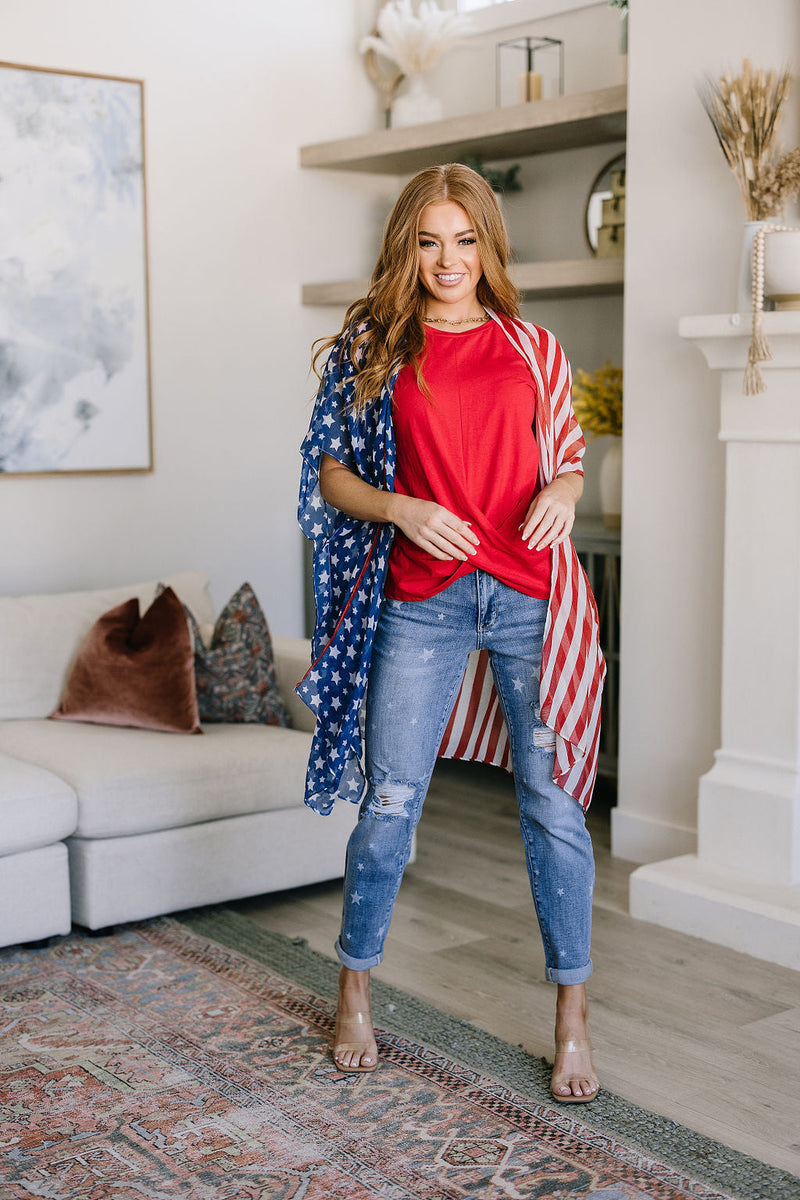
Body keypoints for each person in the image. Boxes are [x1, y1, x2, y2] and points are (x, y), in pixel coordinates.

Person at [298, 163, 605, 1103]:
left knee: (552, 806)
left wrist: (563, 492)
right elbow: (330, 474)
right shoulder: (374, 350)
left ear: (487, 246)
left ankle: (573, 1017)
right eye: (429, 242)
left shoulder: (533, 348)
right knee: (391, 802)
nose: (448, 260)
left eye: (465, 240)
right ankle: (355, 988)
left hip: (528, 598)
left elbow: (568, 459)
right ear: (408, 247)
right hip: (420, 600)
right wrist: (401, 507)